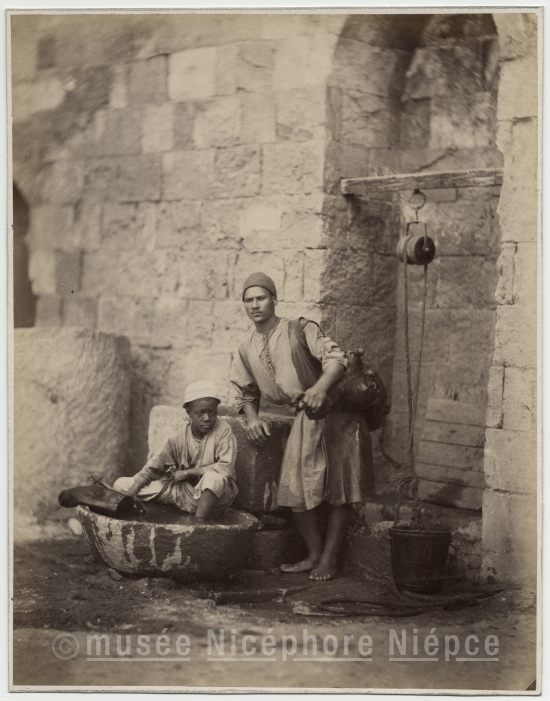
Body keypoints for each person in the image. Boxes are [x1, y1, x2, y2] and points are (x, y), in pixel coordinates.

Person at [231, 272, 374, 581]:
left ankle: (329, 560)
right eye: (248, 300)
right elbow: (245, 391)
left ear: (274, 299)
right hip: (304, 418)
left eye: (261, 298)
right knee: (295, 490)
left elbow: (336, 358)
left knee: (341, 489)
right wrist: (253, 418)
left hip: (338, 414)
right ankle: (313, 554)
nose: (255, 305)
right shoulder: (245, 347)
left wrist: (320, 388)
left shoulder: (299, 328)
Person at [113, 381, 238, 520]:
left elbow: (225, 469)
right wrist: (131, 494)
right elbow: (153, 468)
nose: (207, 418)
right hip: (178, 492)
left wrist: (188, 473)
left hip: (210, 500)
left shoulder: (223, 430)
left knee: (214, 479)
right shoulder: (177, 436)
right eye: (200, 413)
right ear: (189, 412)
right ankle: (165, 508)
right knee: (121, 485)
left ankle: (199, 523)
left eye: (212, 412)